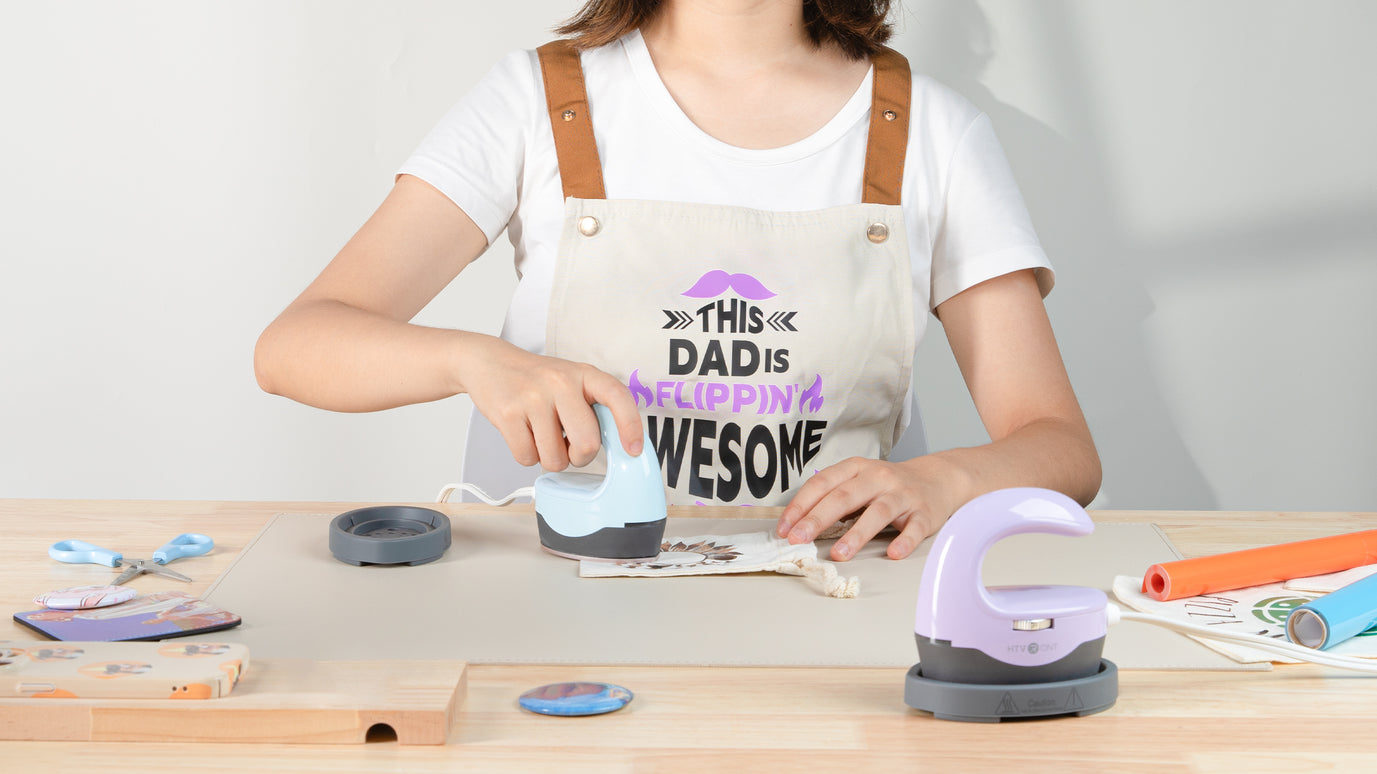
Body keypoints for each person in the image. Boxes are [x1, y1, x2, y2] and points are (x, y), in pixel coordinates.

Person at [254, 0, 1101, 562]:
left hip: (830, 601)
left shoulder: (932, 132)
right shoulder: (537, 99)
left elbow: (1058, 446)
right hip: (554, 596)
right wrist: (471, 360)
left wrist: (945, 480)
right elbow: (295, 348)